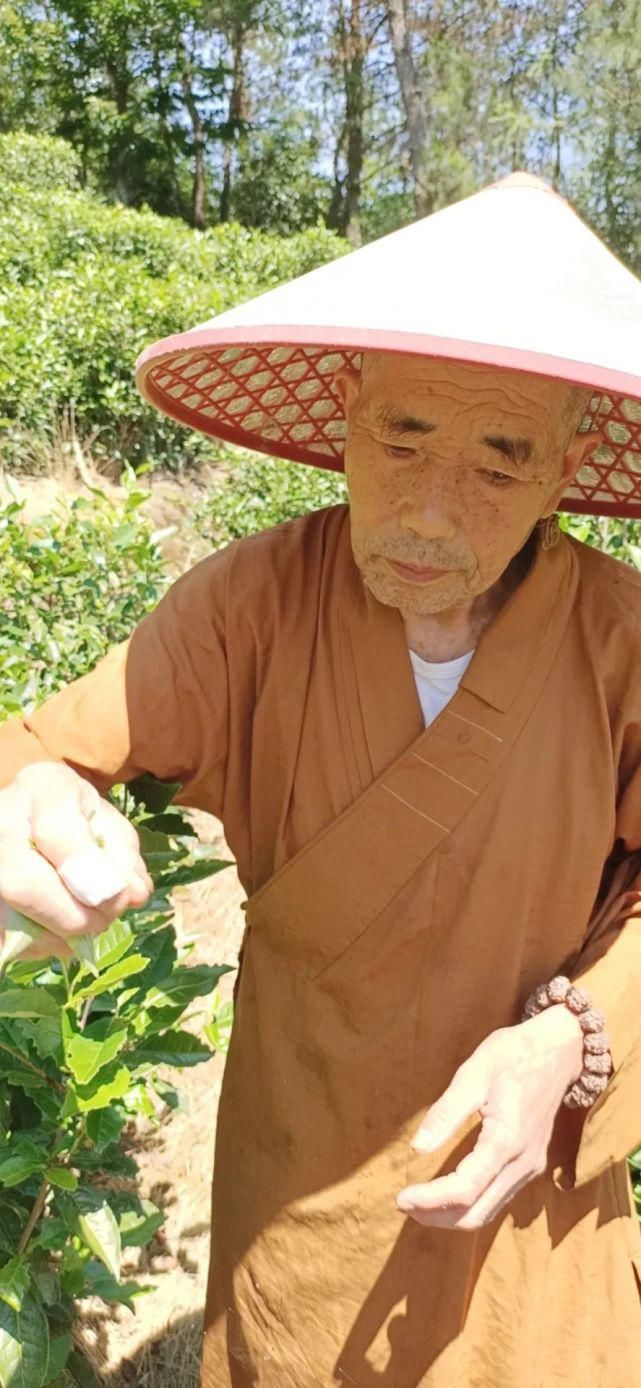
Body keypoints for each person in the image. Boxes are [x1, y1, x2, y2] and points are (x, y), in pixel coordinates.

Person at [2, 172, 641, 1387]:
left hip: (536, 1179)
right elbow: (40, 744)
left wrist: (570, 1041)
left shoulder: (619, 640)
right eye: (400, 438)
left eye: (499, 464)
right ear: (345, 410)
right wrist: (24, 800)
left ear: (570, 463)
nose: (429, 513)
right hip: (304, 1164)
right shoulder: (252, 602)